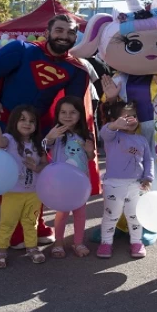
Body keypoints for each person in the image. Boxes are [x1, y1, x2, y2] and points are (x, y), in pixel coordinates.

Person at [72, 0, 157, 247]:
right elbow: (107, 112)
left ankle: (151, 221)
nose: (149, 52)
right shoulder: (119, 78)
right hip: (131, 134)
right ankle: (122, 224)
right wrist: (113, 97)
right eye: (135, 44)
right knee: (126, 175)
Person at [0, 14, 96, 249]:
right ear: (48, 31)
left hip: (40, 127)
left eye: (71, 32)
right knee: (9, 175)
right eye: (60, 30)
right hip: (6, 120)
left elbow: (72, 107)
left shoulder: (75, 69)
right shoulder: (21, 50)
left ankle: (36, 223)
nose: (64, 36)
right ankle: (13, 230)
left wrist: (77, 138)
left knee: (38, 174)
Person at [0, 105, 49, 268]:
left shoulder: (38, 144)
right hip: (13, 192)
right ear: (14, 121)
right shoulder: (9, 139)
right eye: (22, 119)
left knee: (31, 222)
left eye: (31, 120)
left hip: (34, 193)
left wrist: (35, 168)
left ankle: (31, 247)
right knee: (8, 222)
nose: (27, 123)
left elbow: (45, 164)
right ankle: (0, 250)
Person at [97, 101, 153, 259]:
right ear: (115, 120)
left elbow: (149, 160)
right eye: (126, 117)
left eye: (134, 116)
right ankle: (106, 243)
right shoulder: (113, 136)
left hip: (136, 185)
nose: (131, 119)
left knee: (135, 216)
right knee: (111, 215)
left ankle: (136, 242)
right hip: (114, 184)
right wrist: (114, 125)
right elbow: (104, 133)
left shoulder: (141, 140)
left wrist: (148, 177)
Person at [42, 96, 95, 258]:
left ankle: (78, 242)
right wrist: (50, 137)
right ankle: (58, 243)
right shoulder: (57, 134)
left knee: (80, 214)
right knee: (62, 213)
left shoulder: (86, 135)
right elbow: (43, 147)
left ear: (80, 115)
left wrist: (89, 150)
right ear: (57, 114)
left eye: (73, 112)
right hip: (61, 184)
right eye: (63, 112)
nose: (67, 115)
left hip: (81, 184)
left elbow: (91, 157)